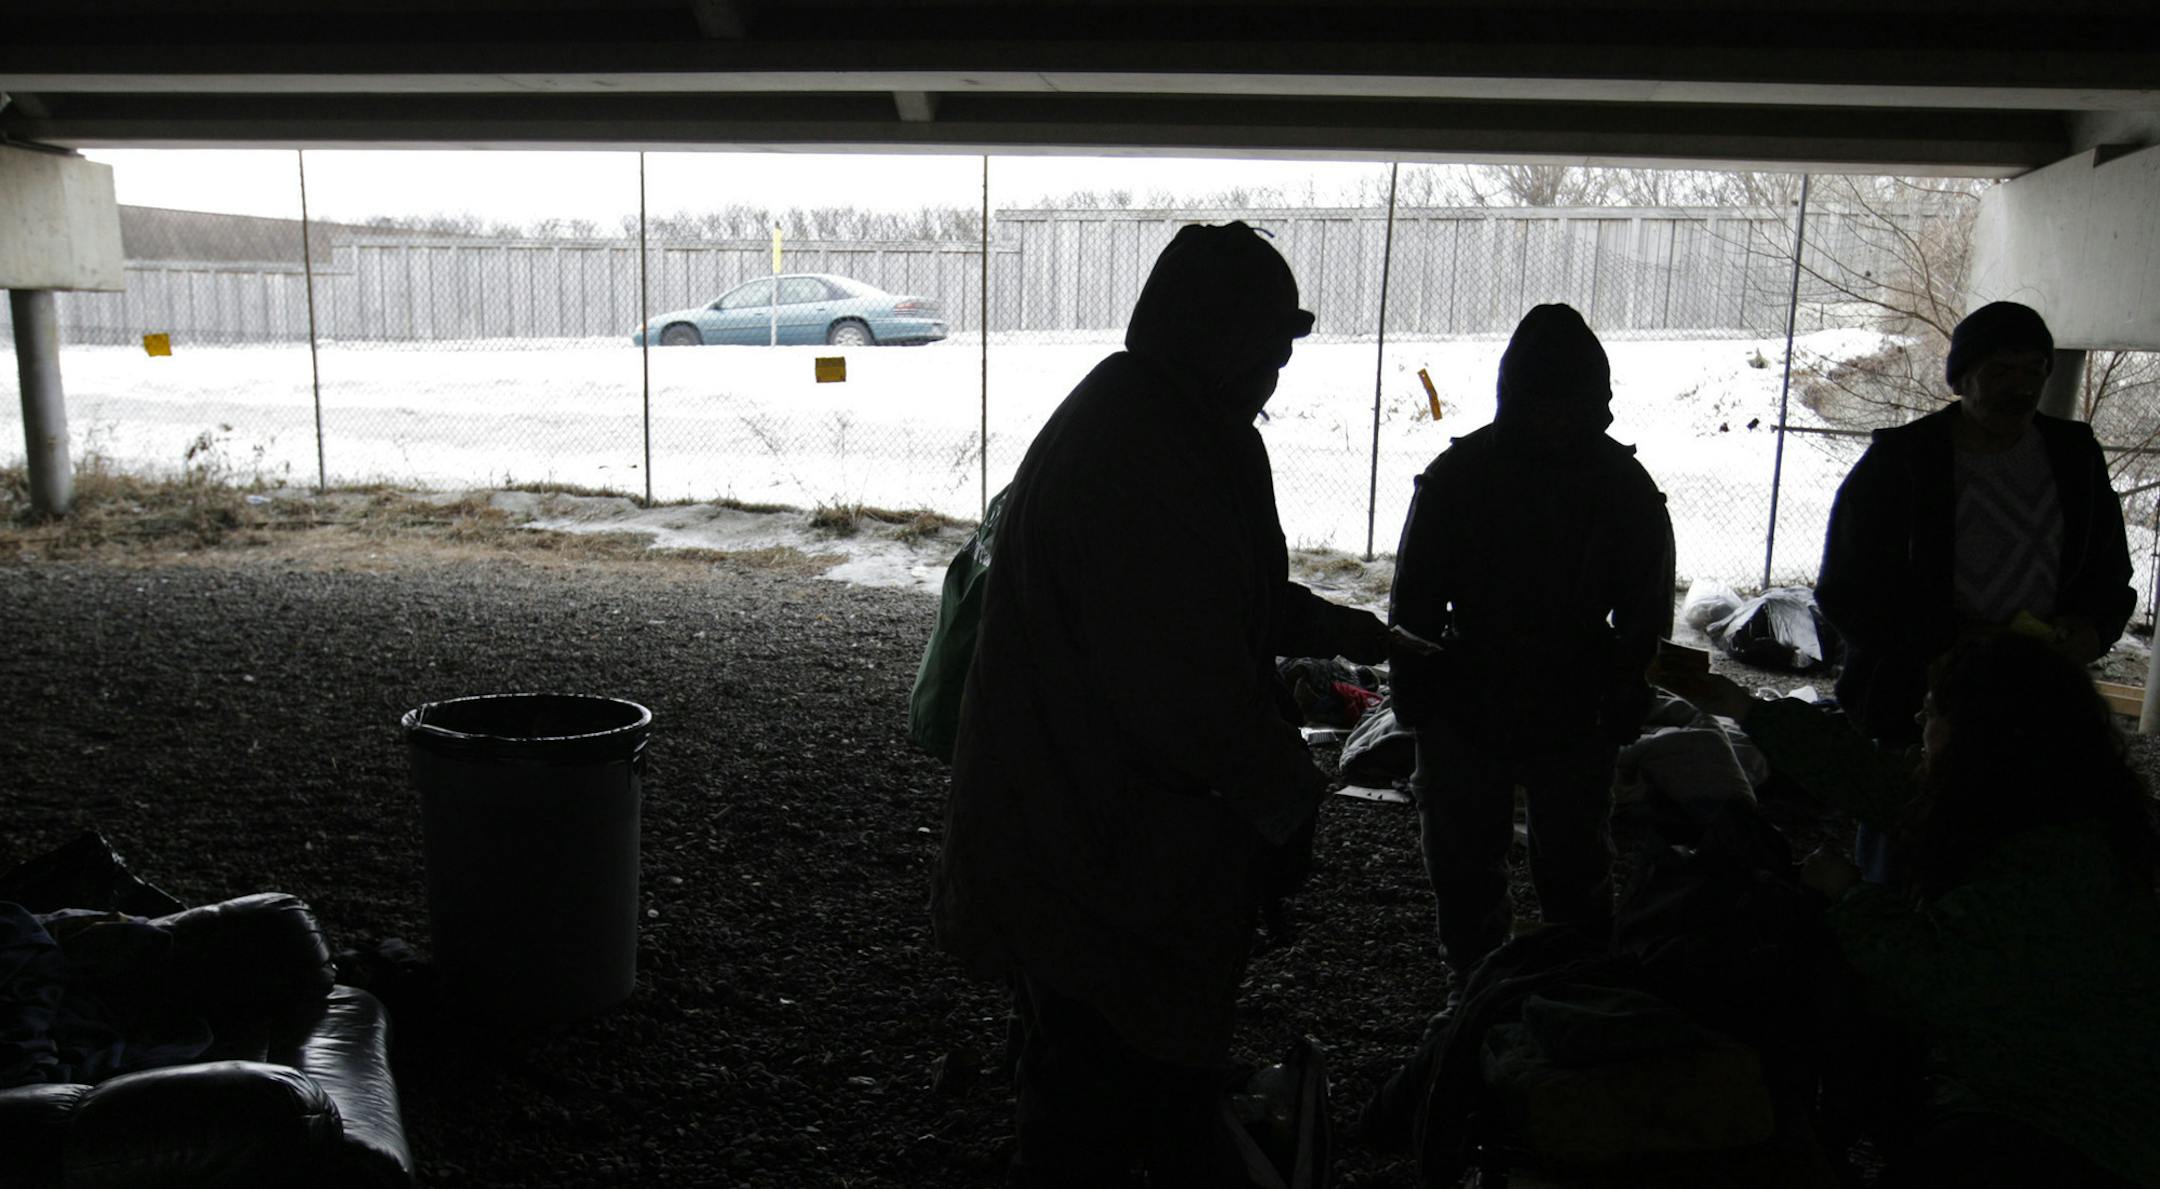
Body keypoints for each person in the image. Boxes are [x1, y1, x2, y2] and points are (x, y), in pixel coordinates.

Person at [929, 221, 1389, 1188]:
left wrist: (1366, 635)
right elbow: (1181, 688)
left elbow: (1230, 598)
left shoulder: (1163, 418)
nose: (1277, 368)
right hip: (1090, 841)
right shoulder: (1147, 455)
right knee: (1111, 1085)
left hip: (1080, 825)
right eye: (1267, 344)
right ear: (1210, 335)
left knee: (1088, 1069)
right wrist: (1286, 797)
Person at [1661, 634, 2160, 1189]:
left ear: (1987, 736)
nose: (1921, 713)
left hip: (2077, 1129)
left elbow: (1935, 974)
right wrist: (1740, 705)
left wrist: (1851, 895)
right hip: (2026, 1085)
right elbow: (1869, 777)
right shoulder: (2030, 803)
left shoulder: (2062, 865)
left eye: (1937, 708)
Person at [1388, 303, 1674, 983]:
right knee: (1478, 862)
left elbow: (1644, 614)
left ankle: (1539, 987)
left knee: (1557, 860)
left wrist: (1626, 684)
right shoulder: (1616, 484)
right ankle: (1503, 989)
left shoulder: (1464, 474)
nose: (1552, 418)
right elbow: (1415, 604)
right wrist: (1417, 693)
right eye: (1544, 401)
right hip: (1509, 690)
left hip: (1524, 689)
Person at [1816, 300, 2134, 882]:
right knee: (1907, 844)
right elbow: (1846, 589)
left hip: (2036, 694)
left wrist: (2089, 629)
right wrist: (1950, 646)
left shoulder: (2072, 457)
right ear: (1962, 379)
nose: (2019, 388)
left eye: (2033, 370)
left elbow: (2109, 572)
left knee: (2014, 856)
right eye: (2000, 372)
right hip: (1922, 695)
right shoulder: (1903, 462)